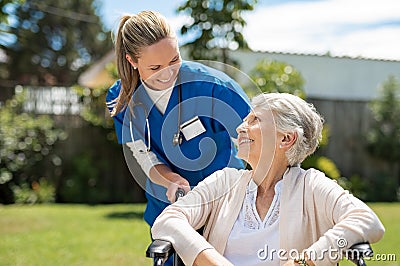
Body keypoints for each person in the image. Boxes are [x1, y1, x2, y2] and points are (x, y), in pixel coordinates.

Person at [151, 92, 385, 266]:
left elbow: (367, 221)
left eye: (254, 120)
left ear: (286, 139)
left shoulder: (311, 186)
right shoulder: (224, 182)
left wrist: (306, 262)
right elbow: (168, 220)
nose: (241, 127)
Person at [106, 11, 250, 232]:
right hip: (169, 210)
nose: (168, 73)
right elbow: (143, 157)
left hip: (226, 207)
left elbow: (256, 140)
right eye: (155, 68)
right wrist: (171, 180)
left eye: (174, 60)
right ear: (132, 61)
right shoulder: (122, 100)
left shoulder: (214, 87)